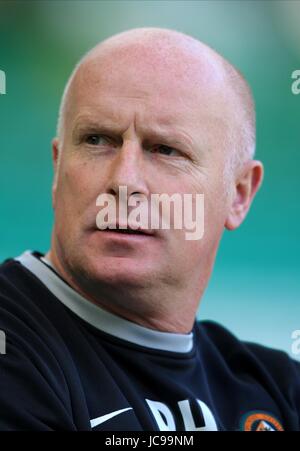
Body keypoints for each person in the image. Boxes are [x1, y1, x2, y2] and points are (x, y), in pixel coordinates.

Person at [0, 27, 299, 432]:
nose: (124, 181)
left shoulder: (277, 388)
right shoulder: (14, 349)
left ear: (239, 193)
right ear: (57, 168)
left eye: (165, 149)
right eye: (97, 140)